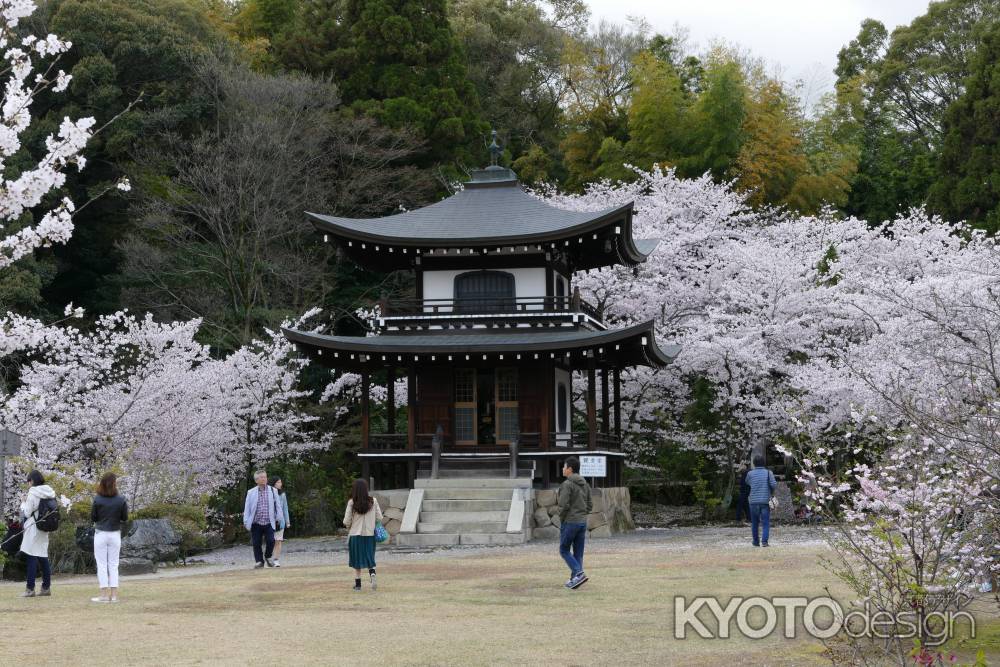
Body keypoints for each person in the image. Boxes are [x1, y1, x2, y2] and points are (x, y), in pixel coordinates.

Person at [90, 472, 128, 603]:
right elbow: (125, 518)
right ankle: (114, 595)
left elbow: (93, 517)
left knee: (101, 564)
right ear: (114, 483)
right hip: (115, 533)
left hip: (100, 533)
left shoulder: (97, 499)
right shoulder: (121, 499)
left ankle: (104, 595)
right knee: (113, 564)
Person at [19, 469, 56, 598]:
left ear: (32, 481)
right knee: (43, 556)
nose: (28, 484)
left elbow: (27, 512)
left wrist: (23, 502)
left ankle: (30, 589)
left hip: (34, 527)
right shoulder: (50, 492)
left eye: (28, 481)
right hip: (44, 528)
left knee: (31, 556)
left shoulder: (33, 492)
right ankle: (46, 587)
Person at [557, 456, 592, 590]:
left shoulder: (567, 484)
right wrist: (583, 514)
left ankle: (578, 573)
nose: (563, 469)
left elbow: (563, 505)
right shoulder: (585, 484)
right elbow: (590, 504)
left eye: (564, 467)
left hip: (570, 521)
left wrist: (563, 518)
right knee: (578, 552)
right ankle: (575, 580)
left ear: (570, 469)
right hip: (582, 522)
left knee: (564, 549)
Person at [343, 478, 382, 592]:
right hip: (370, 535)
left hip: (355, 535)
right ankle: (372, 574)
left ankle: (358, 585)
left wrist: (349, 527)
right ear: (366, 489)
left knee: (356, 560)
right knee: (370, 556)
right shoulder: (373, 501)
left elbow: (346, 521)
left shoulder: (352, 502)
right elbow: (379, 517)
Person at [243, 470, 284, 569]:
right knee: (256, 543)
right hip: (256, 522)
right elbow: (247, 508)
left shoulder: (272, 490)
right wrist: (246, 521)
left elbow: (278, 505)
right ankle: (259, 561)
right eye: (261, 477)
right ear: (256, 480)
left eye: (265, 477)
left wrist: (279, 517)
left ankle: (268, 556)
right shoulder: (251, 492)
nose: (264, 479)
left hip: (269, 521)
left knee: (271, 540)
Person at [745, 454, 777, 547]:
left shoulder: (750, 473)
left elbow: (747, 482)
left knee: (755, 523)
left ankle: (755, 542)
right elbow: (774, 485)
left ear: (754, 463)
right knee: (765, 522)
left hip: (753, 501)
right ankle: (764, 542)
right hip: (765, 501)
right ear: (764, 463)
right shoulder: (768, 472)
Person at [270, 476, 290, 567]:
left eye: (280, 482)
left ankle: (276, 559)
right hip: (269, 522)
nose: (280, 484)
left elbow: (285, 508)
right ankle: (269, 558)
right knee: (271, 541)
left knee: (278, 540)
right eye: (278, 482)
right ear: (274, 483)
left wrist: (287, 521)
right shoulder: (269, 494)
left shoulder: (282, 495)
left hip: (280, 521)